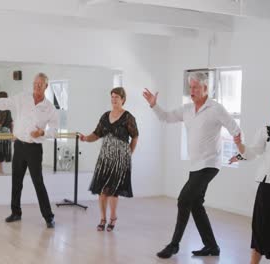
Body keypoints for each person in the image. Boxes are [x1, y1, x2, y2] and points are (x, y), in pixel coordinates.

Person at [143, 72, 241, 259]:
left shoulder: (216, 108)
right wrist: (154, 104)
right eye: (191, 87)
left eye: (196, 87)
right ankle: (211, 246)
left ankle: (174, 245)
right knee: (195, 204)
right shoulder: (187, 109)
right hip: (195, 165)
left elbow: (234, 128)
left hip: (210, 164)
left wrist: (239, 153)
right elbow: (166, 117)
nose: (192, 90)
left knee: (183, 200)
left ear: (205, 88)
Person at [0, 73, 58, 228]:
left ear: (46, 86)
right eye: (35, 83)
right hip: (19, 145)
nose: (36, 86)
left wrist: (42, 132)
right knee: (16, 181)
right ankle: (15, 212)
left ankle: (48, 217)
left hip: (34, 148)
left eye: (40, 84)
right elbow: (7, 102)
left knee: (38, 182)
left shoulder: (49, 107)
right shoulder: (23, 98)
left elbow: (55, 129)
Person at [229, 94, 270, 264]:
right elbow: (253, 152)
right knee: (260, 228)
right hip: (266, 186)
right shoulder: (266, 130)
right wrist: (240, 146)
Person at [80, 87, 138, 232]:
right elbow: (96, 134)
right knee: (101, 190)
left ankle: (112, 217)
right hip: (104, 158)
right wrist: (86, 138)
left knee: (113, 190)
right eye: (112, 97)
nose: (114, 100)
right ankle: (102, 218)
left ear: (123, 99)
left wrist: (129, 153)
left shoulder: (128, 117)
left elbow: (135, 136)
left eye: (117, 97)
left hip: (120, 160)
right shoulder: (105, 116)